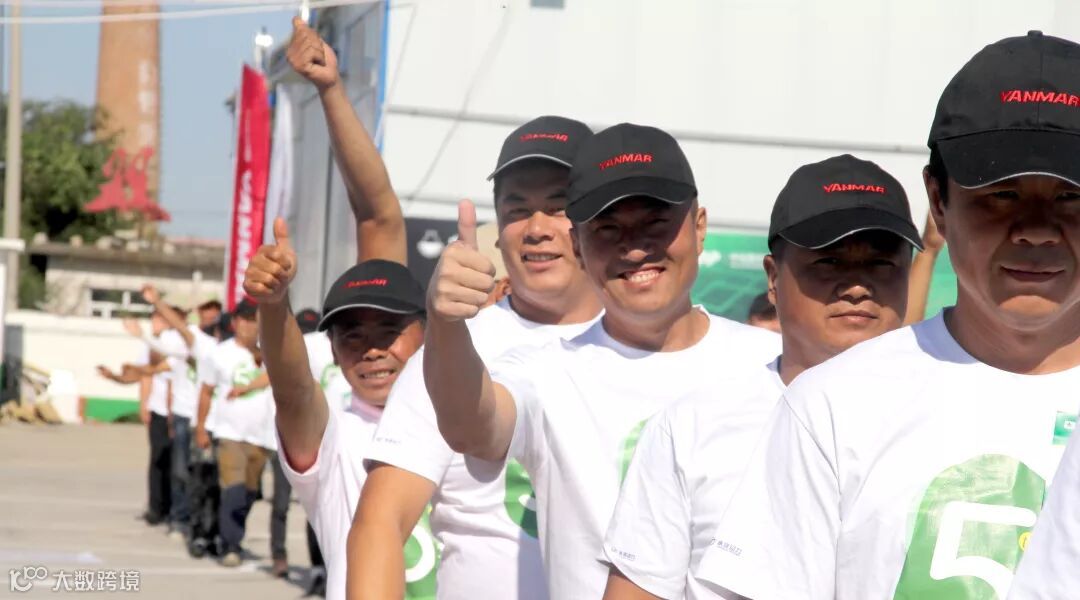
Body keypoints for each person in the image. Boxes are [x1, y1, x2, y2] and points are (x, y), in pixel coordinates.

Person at [694, 31, 1080, 600]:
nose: (1037, 229)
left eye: (1072, 195)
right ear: (939, 201)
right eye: (1001, 194)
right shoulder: (832, 406)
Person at [421, 123, 780, 598]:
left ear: (699, 228)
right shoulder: (546, 373)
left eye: (656, 223)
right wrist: (444, 322)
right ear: (580, 247)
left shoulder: (774, 365)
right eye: (608, 229)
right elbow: (472, 428)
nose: (636, 248)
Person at [600, 155, 921, 599]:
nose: (856, 286)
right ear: (773, 278)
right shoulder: (691, 428)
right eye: (829, 262)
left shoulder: (956, 415)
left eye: (882, 264)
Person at [350, 115, 601, 600]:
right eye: (517, 210)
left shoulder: (653, 344)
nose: (537, 228)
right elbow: (380, 521)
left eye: (559, 207)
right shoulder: (450, 354)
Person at [245, 220, 427, 600]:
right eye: (352, 336)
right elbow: (293, 392)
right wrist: (274, 304)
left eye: (389, 331)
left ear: (429, 332)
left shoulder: (474, 425)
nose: (371, 350)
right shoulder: (336, 439)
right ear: (331, 349)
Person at [194, 299, 273, 568]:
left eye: (256, 320)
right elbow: (206, 392)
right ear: (236, 322)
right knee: (234, 489)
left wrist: (247, 387)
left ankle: (225, 531)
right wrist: (201, 427)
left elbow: (277, 377)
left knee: (249, 493)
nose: (251, 326)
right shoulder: (219, 354)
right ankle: (231, 545)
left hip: (261, 435)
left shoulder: (270, 352)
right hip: (229, 432)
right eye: (246, 320)